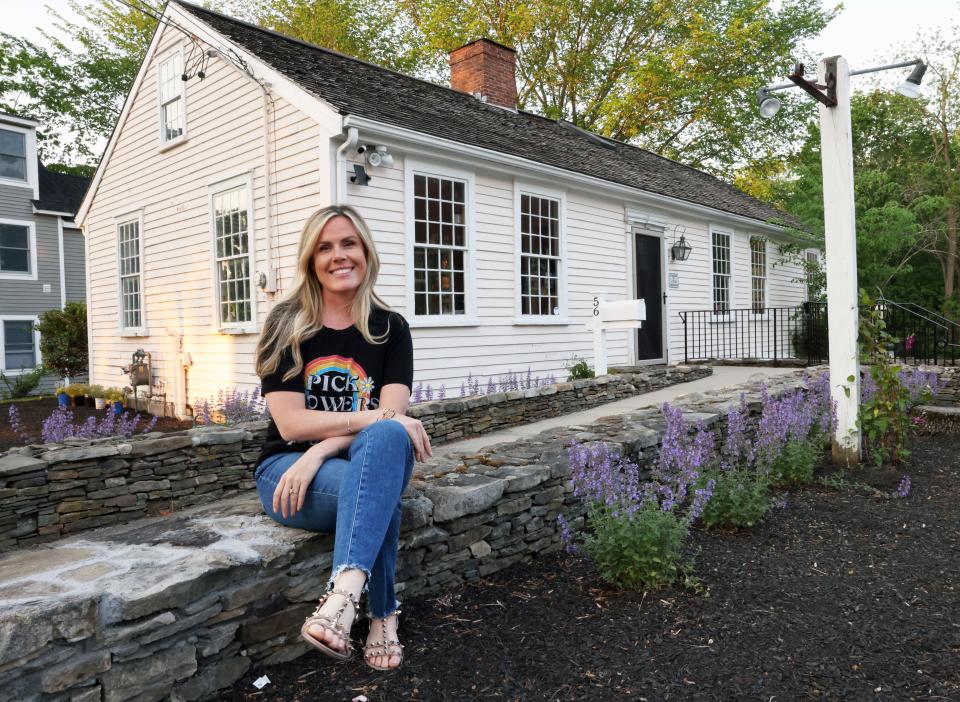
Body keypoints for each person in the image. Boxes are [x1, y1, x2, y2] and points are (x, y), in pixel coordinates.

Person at [254, 204, 432, 671]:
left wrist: (323, 448)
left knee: (386, 441)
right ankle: (383, 614)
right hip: (287, 475)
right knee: (383, 484)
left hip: (340, 462)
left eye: (348, 243)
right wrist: (311, 453)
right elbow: (290, 424)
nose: (339, 256)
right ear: (311, 260)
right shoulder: (285, 324)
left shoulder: (390, 329)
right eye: (325, 247)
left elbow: (389, 418)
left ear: (365, 252)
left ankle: (343, 597)